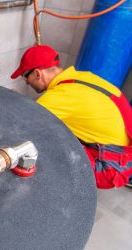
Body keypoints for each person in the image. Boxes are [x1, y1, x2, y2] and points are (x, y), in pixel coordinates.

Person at [11, 45, 132, 189]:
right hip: (123, 152)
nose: (25, 81)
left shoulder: (58, 97)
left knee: (42, 147)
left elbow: (21, 125)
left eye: (25, 76)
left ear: (37, 74)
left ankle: (61, 197)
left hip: (114, 168)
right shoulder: (82, 77)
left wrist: (13, 102)